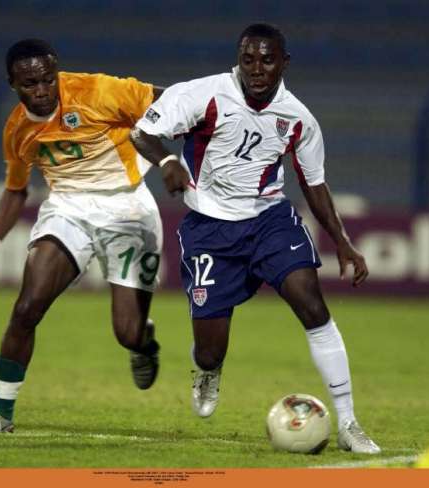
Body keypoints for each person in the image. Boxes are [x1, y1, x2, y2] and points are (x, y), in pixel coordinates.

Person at [131, 23, 381, 454]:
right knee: (210, 349)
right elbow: (142, 131)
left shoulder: (298, 119)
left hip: (270, 220)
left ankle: (350, 423)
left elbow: (314, 185)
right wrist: (169, 160)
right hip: (209, 229)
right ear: (238, 60)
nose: (257, 69)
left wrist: (342, 241)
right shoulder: (202, 94)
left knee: (312, 305)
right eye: (248, 59)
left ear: (284, 62)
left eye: (267, 60)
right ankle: (208, 372)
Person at [0, 39, 168, 433]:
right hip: (68, 210)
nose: (41, 91)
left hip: (128, 208)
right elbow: (16, 189)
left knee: (127, 333)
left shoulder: (98, 91)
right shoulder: (18, 130)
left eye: (47, 80)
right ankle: (0, 413)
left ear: (57, 73)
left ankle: (144, 340)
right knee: (26, 308)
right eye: (29, 84)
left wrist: (181, 152)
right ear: (12, 84)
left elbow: (172, 101)